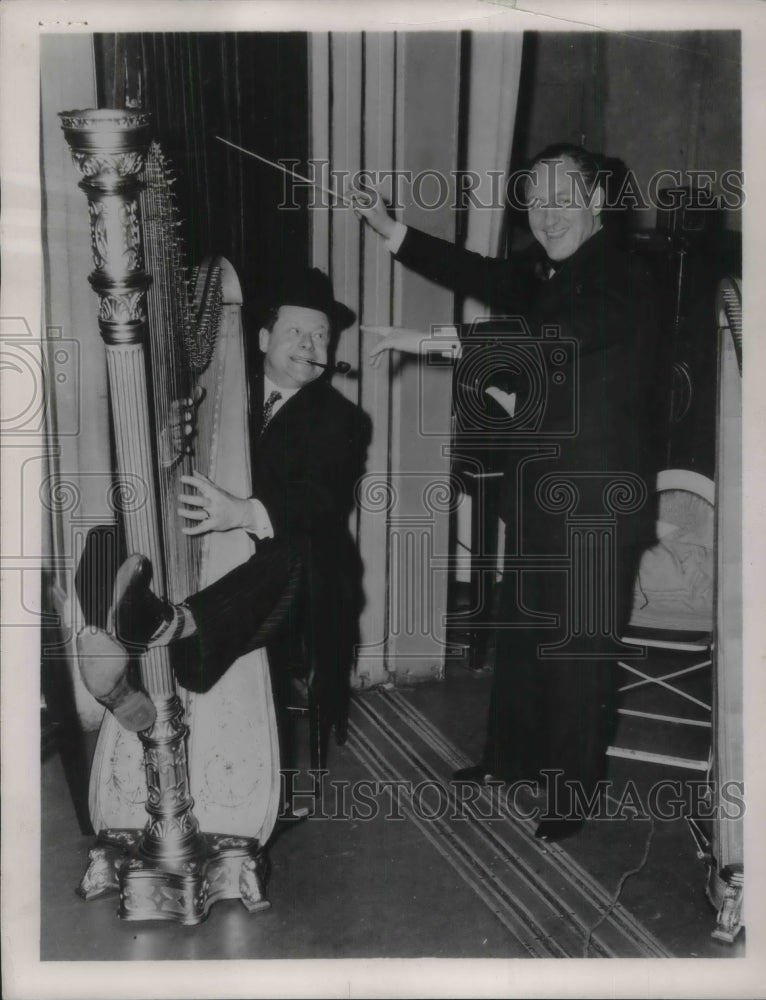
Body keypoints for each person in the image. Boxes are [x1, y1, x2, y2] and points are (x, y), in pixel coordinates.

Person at [353, 143, 666, 841]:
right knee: (524, 635)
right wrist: (392, 231)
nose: (546, 214)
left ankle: (567, 794)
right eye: (536, 199)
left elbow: (546, 338)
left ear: (597, 204)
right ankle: (510, 761)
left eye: (562, 199)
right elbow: (485, 274)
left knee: (578, 650)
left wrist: (432, 338)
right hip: (542, 484)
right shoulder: (556, 269)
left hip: (597, 500)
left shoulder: (623, 273)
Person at [78, 268, 370, 756]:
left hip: (298, 575)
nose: (311, 346)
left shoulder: (342, 419)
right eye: (296, 332)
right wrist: (166, 444)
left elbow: (322, 500)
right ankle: (115, 677)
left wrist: (243, 511)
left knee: (294, 554)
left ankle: (177, 625)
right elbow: (172, 479)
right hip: (216, 551)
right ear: (262, 338)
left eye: (321, 335)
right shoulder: (220, 387)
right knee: (107, 536)